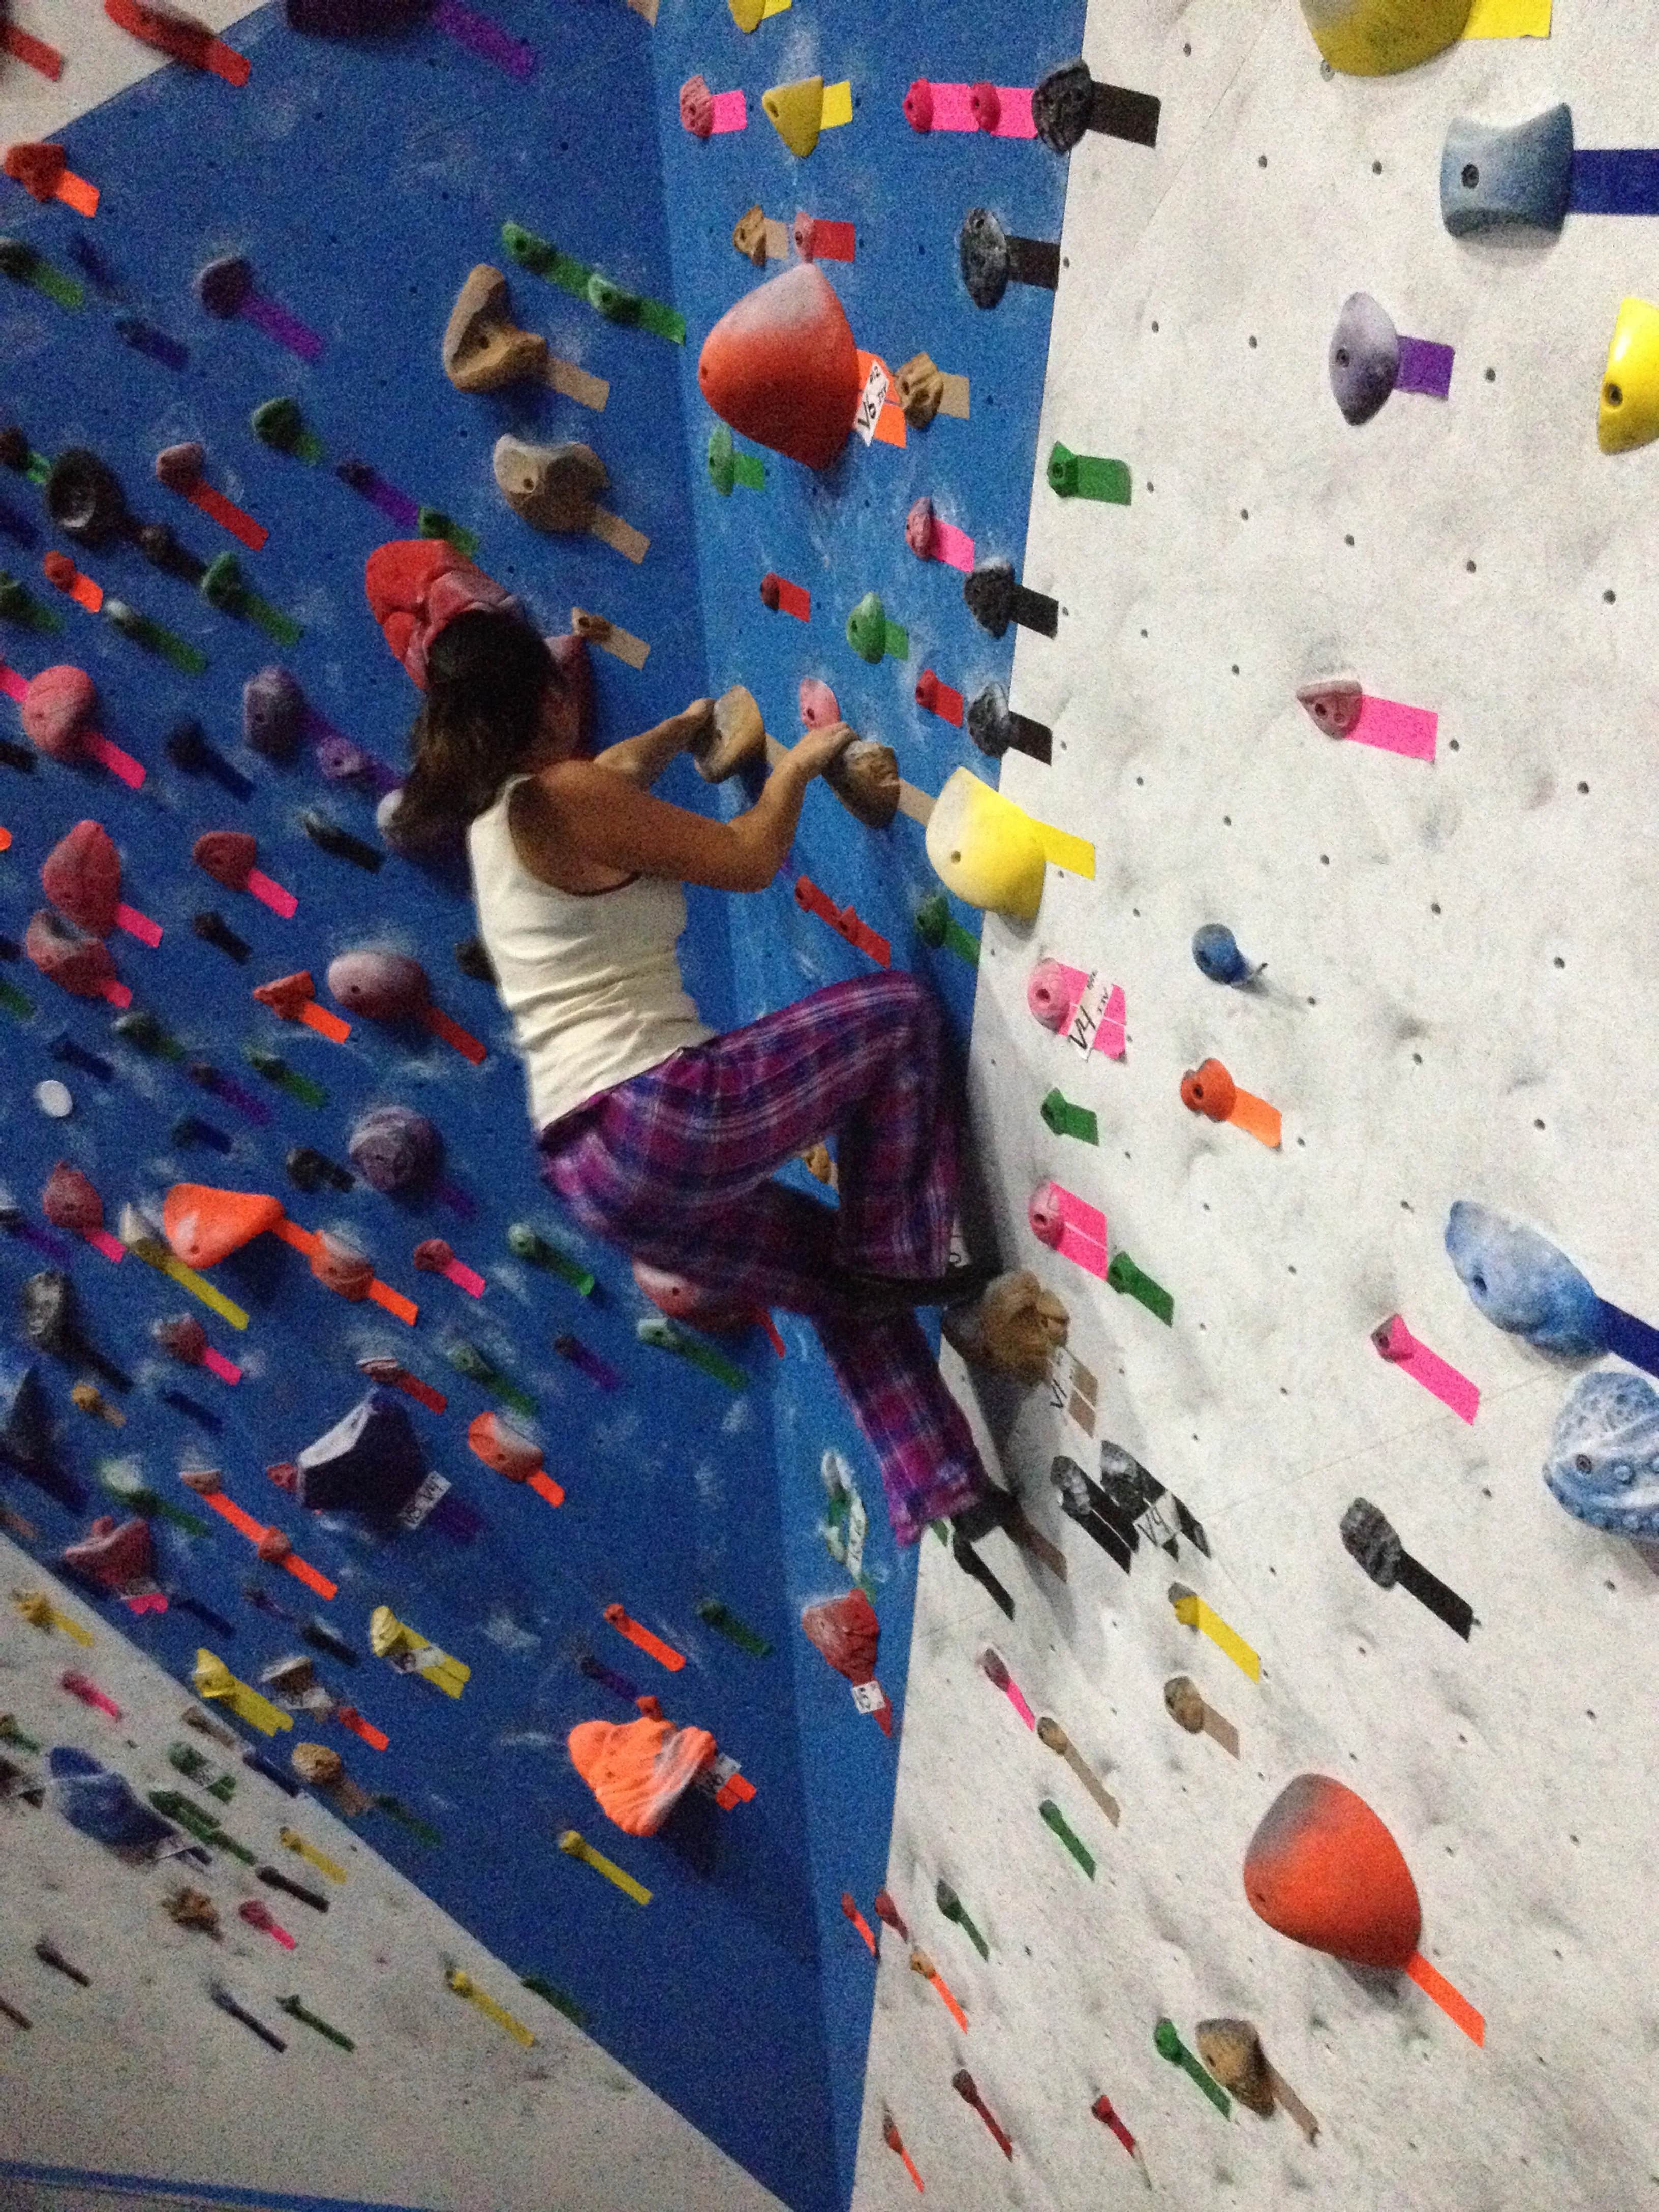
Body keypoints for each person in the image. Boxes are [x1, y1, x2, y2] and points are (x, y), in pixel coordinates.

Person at [366, 539, 1029, 1545]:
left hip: (595, 1178)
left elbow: (608, 782)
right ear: (553, 701)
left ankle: (944, 1490)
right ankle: (897, 1248)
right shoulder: (567, 797)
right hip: (658, 1114)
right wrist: (800, 767)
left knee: (832, 1284)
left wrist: (677, 734)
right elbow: (747, 857)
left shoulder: (501, 823)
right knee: (895, 1017)